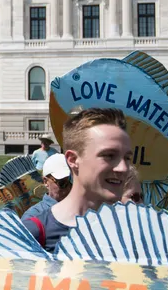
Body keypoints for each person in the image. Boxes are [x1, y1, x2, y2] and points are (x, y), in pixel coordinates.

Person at [22, 108, 131, 252]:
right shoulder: (33, 232)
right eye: (109, 155)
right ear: (73, 160)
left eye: (128, 158)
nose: (123, 168)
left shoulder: (132, 231)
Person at [21, 152, 72, 224]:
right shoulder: (33, 217)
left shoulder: (86, 210)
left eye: (73, 181)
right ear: (46, 181)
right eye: (62, 182)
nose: (69, 188)